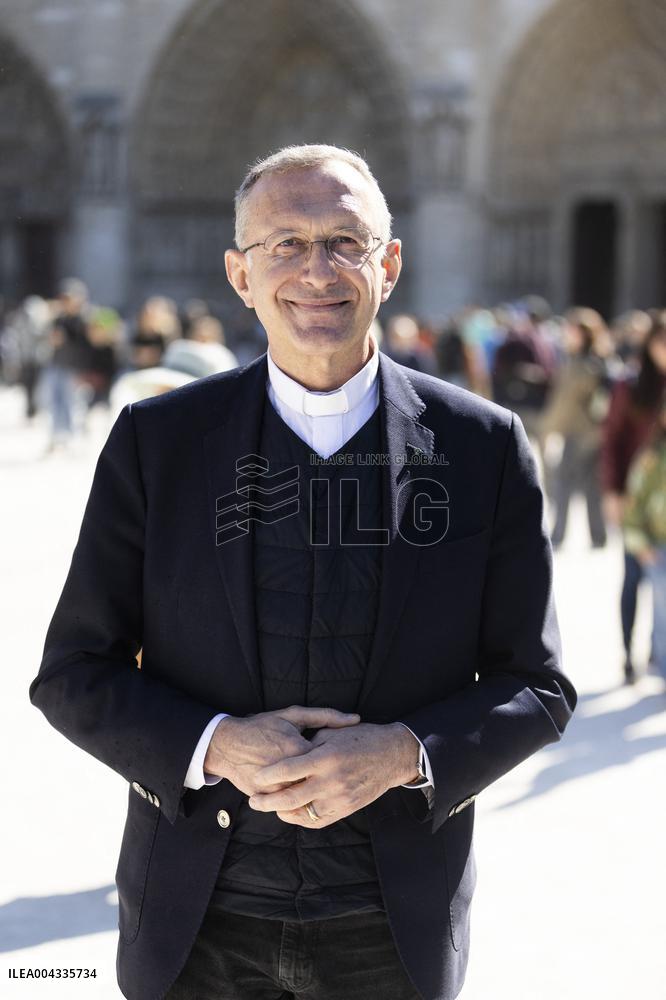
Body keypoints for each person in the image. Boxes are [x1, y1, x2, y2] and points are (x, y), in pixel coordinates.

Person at [30, 144, 576, 1000]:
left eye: (344, 242)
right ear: (239, 276)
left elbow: (536, 687)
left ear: (388, 265)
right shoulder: (156, 443)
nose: (315, 270)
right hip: (196, 925)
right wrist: (216, 746)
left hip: (388, 928)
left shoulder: (483, 448)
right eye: (284, 243)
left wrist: (404, 754)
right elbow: (71, 674)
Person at [601, 314, 666, 682]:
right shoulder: (630, 385)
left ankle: (659, 654)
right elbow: (611, 442)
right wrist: (612, 491)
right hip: (635, 498)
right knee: (633, 576)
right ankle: (628, 655)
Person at [541, 307, 610, 549]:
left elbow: (565, 404)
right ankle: (599, 537)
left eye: (571, 330)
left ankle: (558, 535)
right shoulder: (595, 360)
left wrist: (548, 429)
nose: (566, 334)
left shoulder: (584, 365)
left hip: (579, 433)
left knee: (564, 484)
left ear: (583, 333)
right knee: (591, 487)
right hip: (590, 432)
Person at [623, 402, 666, 684]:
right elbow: (634, 506)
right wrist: (640, 544)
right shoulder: (651, 458)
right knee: (663, 618)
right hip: (659, 549)